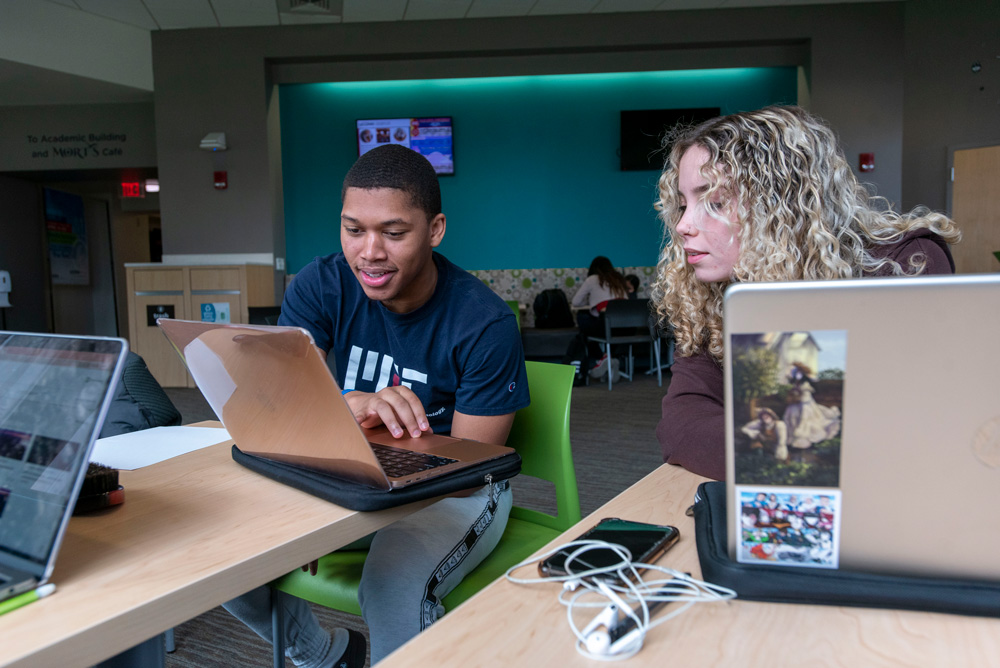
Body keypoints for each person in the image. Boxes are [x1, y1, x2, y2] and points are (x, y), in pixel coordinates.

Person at [223, 144, 530, 668]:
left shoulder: (483, 322)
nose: (369, 252)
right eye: (353, 229)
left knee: (391, 584)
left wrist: (343, 494)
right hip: (343, 466)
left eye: (393, 233)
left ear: (434, 230)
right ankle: (321, 656)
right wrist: (345, 422)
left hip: (454, 488)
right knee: (222, 552)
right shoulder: (320, 285)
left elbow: (467, 466)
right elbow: (281, 407)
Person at [650, 105, 960, 481]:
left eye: (715, 201)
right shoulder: (715, 293)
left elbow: (906, 432)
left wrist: (774, 445)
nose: (682, 225)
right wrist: (794, 450)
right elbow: (682, 423)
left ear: (782, 203)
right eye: (683, 205)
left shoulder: (903, 264)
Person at [571, 256, 630, 380]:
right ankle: (610, 357)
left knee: (582, 323)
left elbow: (575, 302)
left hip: (604, 325)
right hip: (626, 327)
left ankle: (603, 357)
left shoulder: (592, 279)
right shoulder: (619, 279)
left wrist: (590, 303)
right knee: (610, 333)